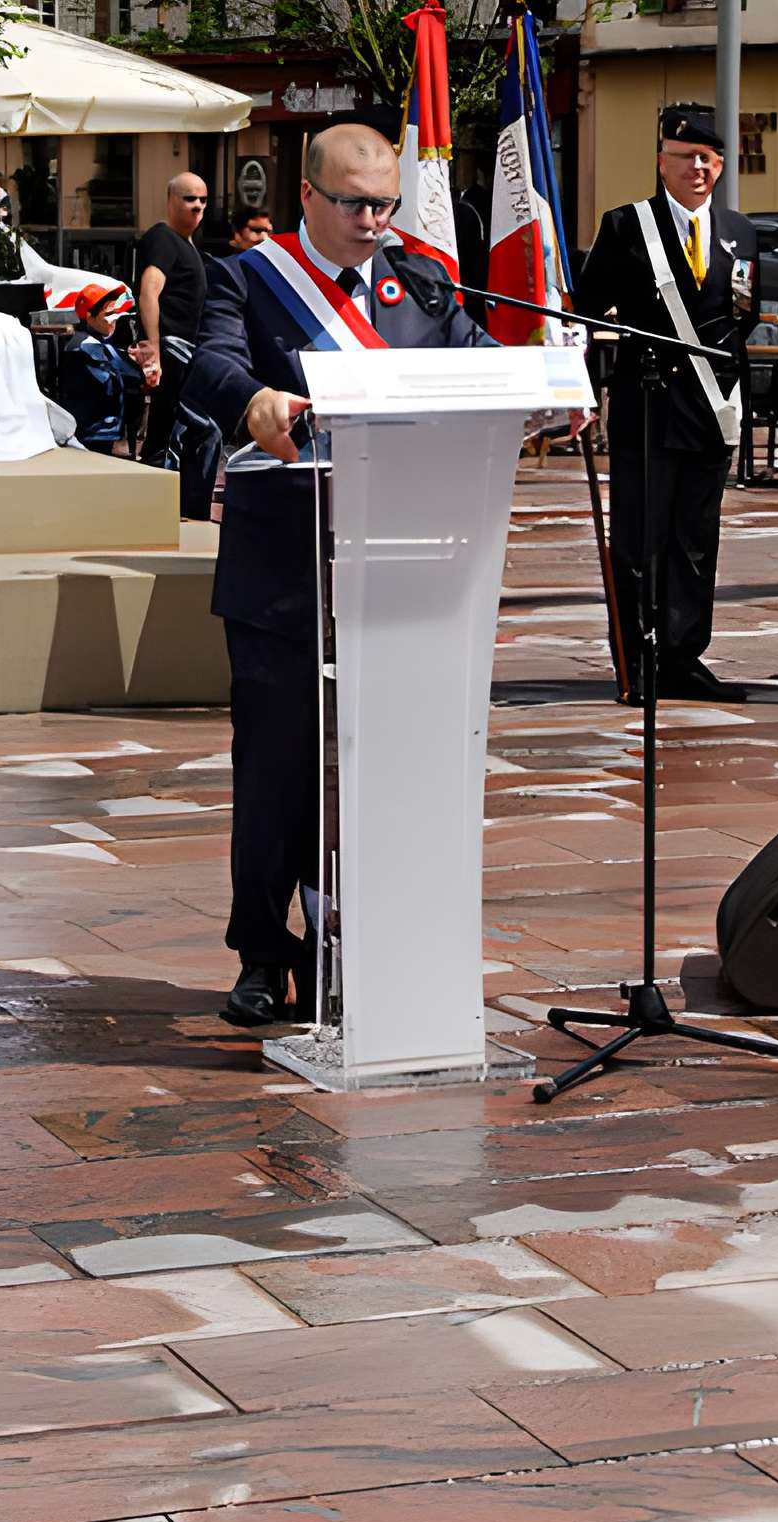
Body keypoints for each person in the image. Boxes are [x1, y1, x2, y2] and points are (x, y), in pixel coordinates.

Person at [185, 121, 491, 1029]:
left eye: (385, 203)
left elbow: (474, 361)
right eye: (355, 203)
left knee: (388, 762)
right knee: (278, 769)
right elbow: (208, 364)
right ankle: (263, 952)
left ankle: (361, 945)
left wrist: (544, 397)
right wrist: (252, 400)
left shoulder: (424, 282)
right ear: (309, 197)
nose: (372, 220)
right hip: (285, 562)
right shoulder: (248, 277)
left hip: (403, 565)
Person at [574, 105, 758, 703]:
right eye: (685, 158)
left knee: (696, 541)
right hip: (650, 402)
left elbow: (741, 316)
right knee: (640, 541)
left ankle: (684, 658)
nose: (698, 168)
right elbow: (587, 303)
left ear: (721, 164)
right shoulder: (629, 225)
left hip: (712, 409)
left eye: (708, 158)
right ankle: (639, 662)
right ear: (662, 162)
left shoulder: (739, 230)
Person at [135, 171, 210, 498]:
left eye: (203, 200)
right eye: (189, 198)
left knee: (179, 432)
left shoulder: (187, 245)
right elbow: (149, 291)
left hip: (186, 351)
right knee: (180, 432)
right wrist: (153, 349)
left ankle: (173, 504)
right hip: (173, 350)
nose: (197, 207)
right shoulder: (164, 238)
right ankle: (160, 504)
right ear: (170, 201)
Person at [50, 284, 143, 455]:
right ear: (89, 316)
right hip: (94, 436)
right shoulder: (85, 346)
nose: (114, 319)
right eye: (108, 314)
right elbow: (124, 377)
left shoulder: (99, 344)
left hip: (102, 434)